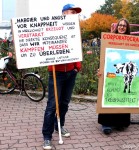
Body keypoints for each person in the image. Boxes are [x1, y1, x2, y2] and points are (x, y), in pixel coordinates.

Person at [42, 4, 82, 150]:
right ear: (64, 13)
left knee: (64, 103)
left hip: (71, 72)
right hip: (56, 73)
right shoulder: (53, 27)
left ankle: (60, 126)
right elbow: (45, 46)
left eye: (75, 13)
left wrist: (77, 66)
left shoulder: (74, 29)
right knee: (52, 105)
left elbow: (77, 48)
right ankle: (47, 136)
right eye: (72, 12)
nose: (74, 14)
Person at [97, 18, 132, 135]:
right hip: (111, 71)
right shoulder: (111, 38)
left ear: (127, 28)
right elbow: (104, 54)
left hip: (125, 71)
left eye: (124, 26)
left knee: (122, 95)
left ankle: (120, 122)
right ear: (117, 27)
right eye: (120, 25)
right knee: (110, 93)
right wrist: (100, 68)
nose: (122, 27)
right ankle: (106, 123)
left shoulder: (133, 42)